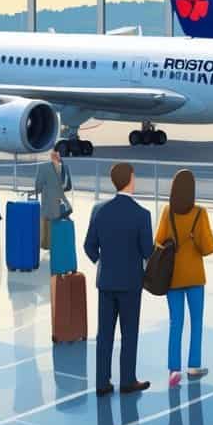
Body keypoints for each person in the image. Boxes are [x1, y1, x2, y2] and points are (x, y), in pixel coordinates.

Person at [84, 163, 153, 396]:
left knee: (104, 334)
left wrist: (103, 262)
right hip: (131, 283)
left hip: (106, 282)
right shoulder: (142, 214)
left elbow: (89, 247)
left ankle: (102, 382)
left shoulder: (99, 210)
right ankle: (127, 381)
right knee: (129, 333)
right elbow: (147, 251)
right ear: (130, 179)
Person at [154, 170, 213, 388]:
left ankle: (174, 369)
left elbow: (158, 241)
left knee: (175, 323)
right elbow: (209, 248)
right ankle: (193, 365)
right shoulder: (200, 213)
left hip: (172, 278)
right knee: (197, 322)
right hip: (195, 277)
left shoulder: (167, 211)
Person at [34, 149, 73, 250]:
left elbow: (67, 185)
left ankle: (51, 245)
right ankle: (47, 244)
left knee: (52, 223)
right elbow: (38, 186)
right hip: (50, 201)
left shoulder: (63, 167)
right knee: (47, 222)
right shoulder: (46, 167)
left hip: (55, 202)